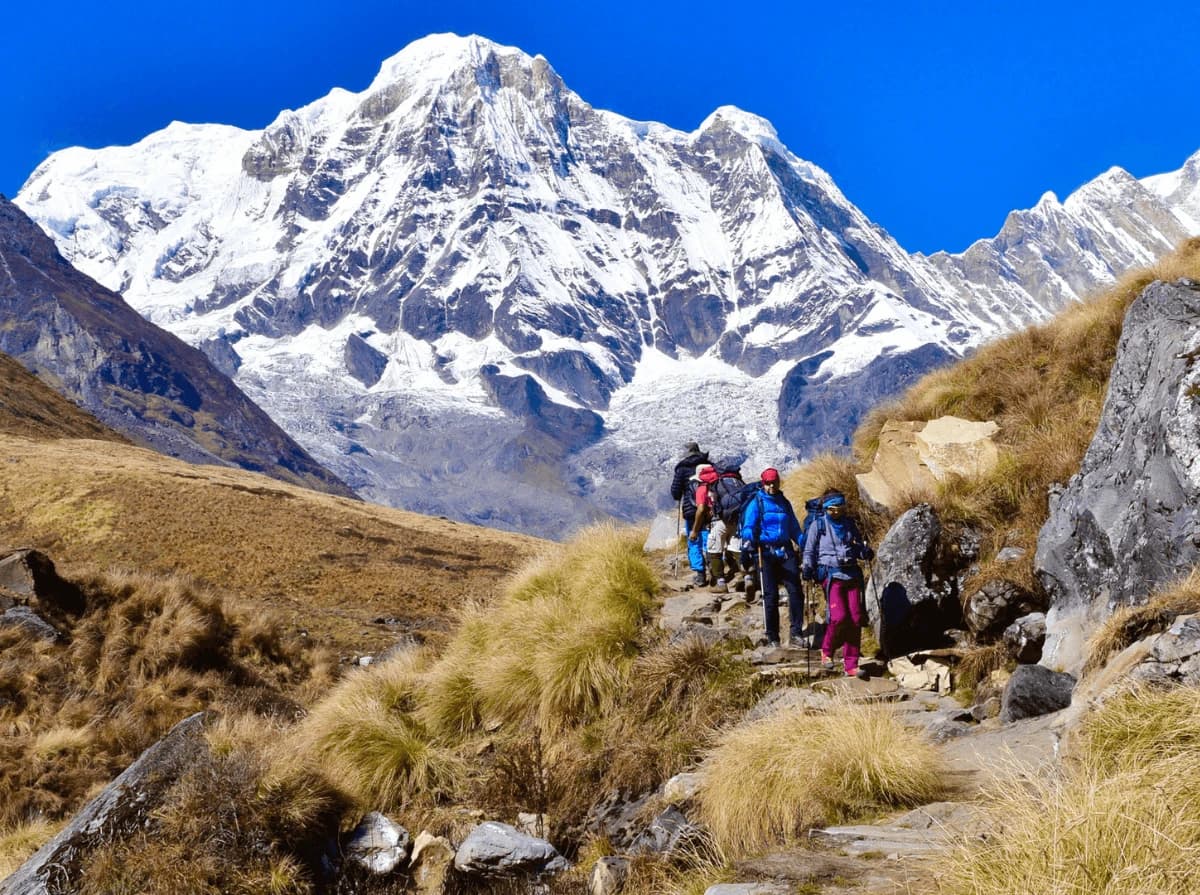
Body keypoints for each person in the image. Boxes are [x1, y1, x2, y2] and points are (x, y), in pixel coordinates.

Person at [802, 490, 874, 678]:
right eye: (832, 509)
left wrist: (864, 552)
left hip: (852, 574)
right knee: (839, 617)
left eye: (840, 508)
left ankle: (851, 665)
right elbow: (809, 550)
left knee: (856, 618)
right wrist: (807, 567)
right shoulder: (818, 525)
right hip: (831, 574)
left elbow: (856, 546)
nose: (836, 512)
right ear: (826, 508)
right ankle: (827, 651)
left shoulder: (849, 524)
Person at [739, 468, 803, 647]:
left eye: (774, 482)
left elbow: (794, 528)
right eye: (768, 483)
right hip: (764, 551)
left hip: (786, 550)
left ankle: (796, 633)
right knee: (770, 594)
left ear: (779, 482)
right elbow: (748, 526)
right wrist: (749, 536)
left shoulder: (785, 503)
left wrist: (804, 542)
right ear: (763, 484)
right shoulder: (757, 503)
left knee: (796, 591)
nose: (771, 486)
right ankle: (773, 636)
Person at [690, 464, 743, 593]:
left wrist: (695, 530)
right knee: (737, 549)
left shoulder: (703, 487)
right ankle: (749, 578)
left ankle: (720, 583)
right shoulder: (727, 484)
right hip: (736, 519)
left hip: (718, 522)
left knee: (714, 551)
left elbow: (701, 509)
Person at [671, 442, 710, 585]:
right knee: (708, 537)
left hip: (691, 509)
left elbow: (675, 493)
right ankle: (714, 567)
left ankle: (700, 574)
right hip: (710, 508)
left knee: (694, 540)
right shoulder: (709, 465)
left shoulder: (682, 469)